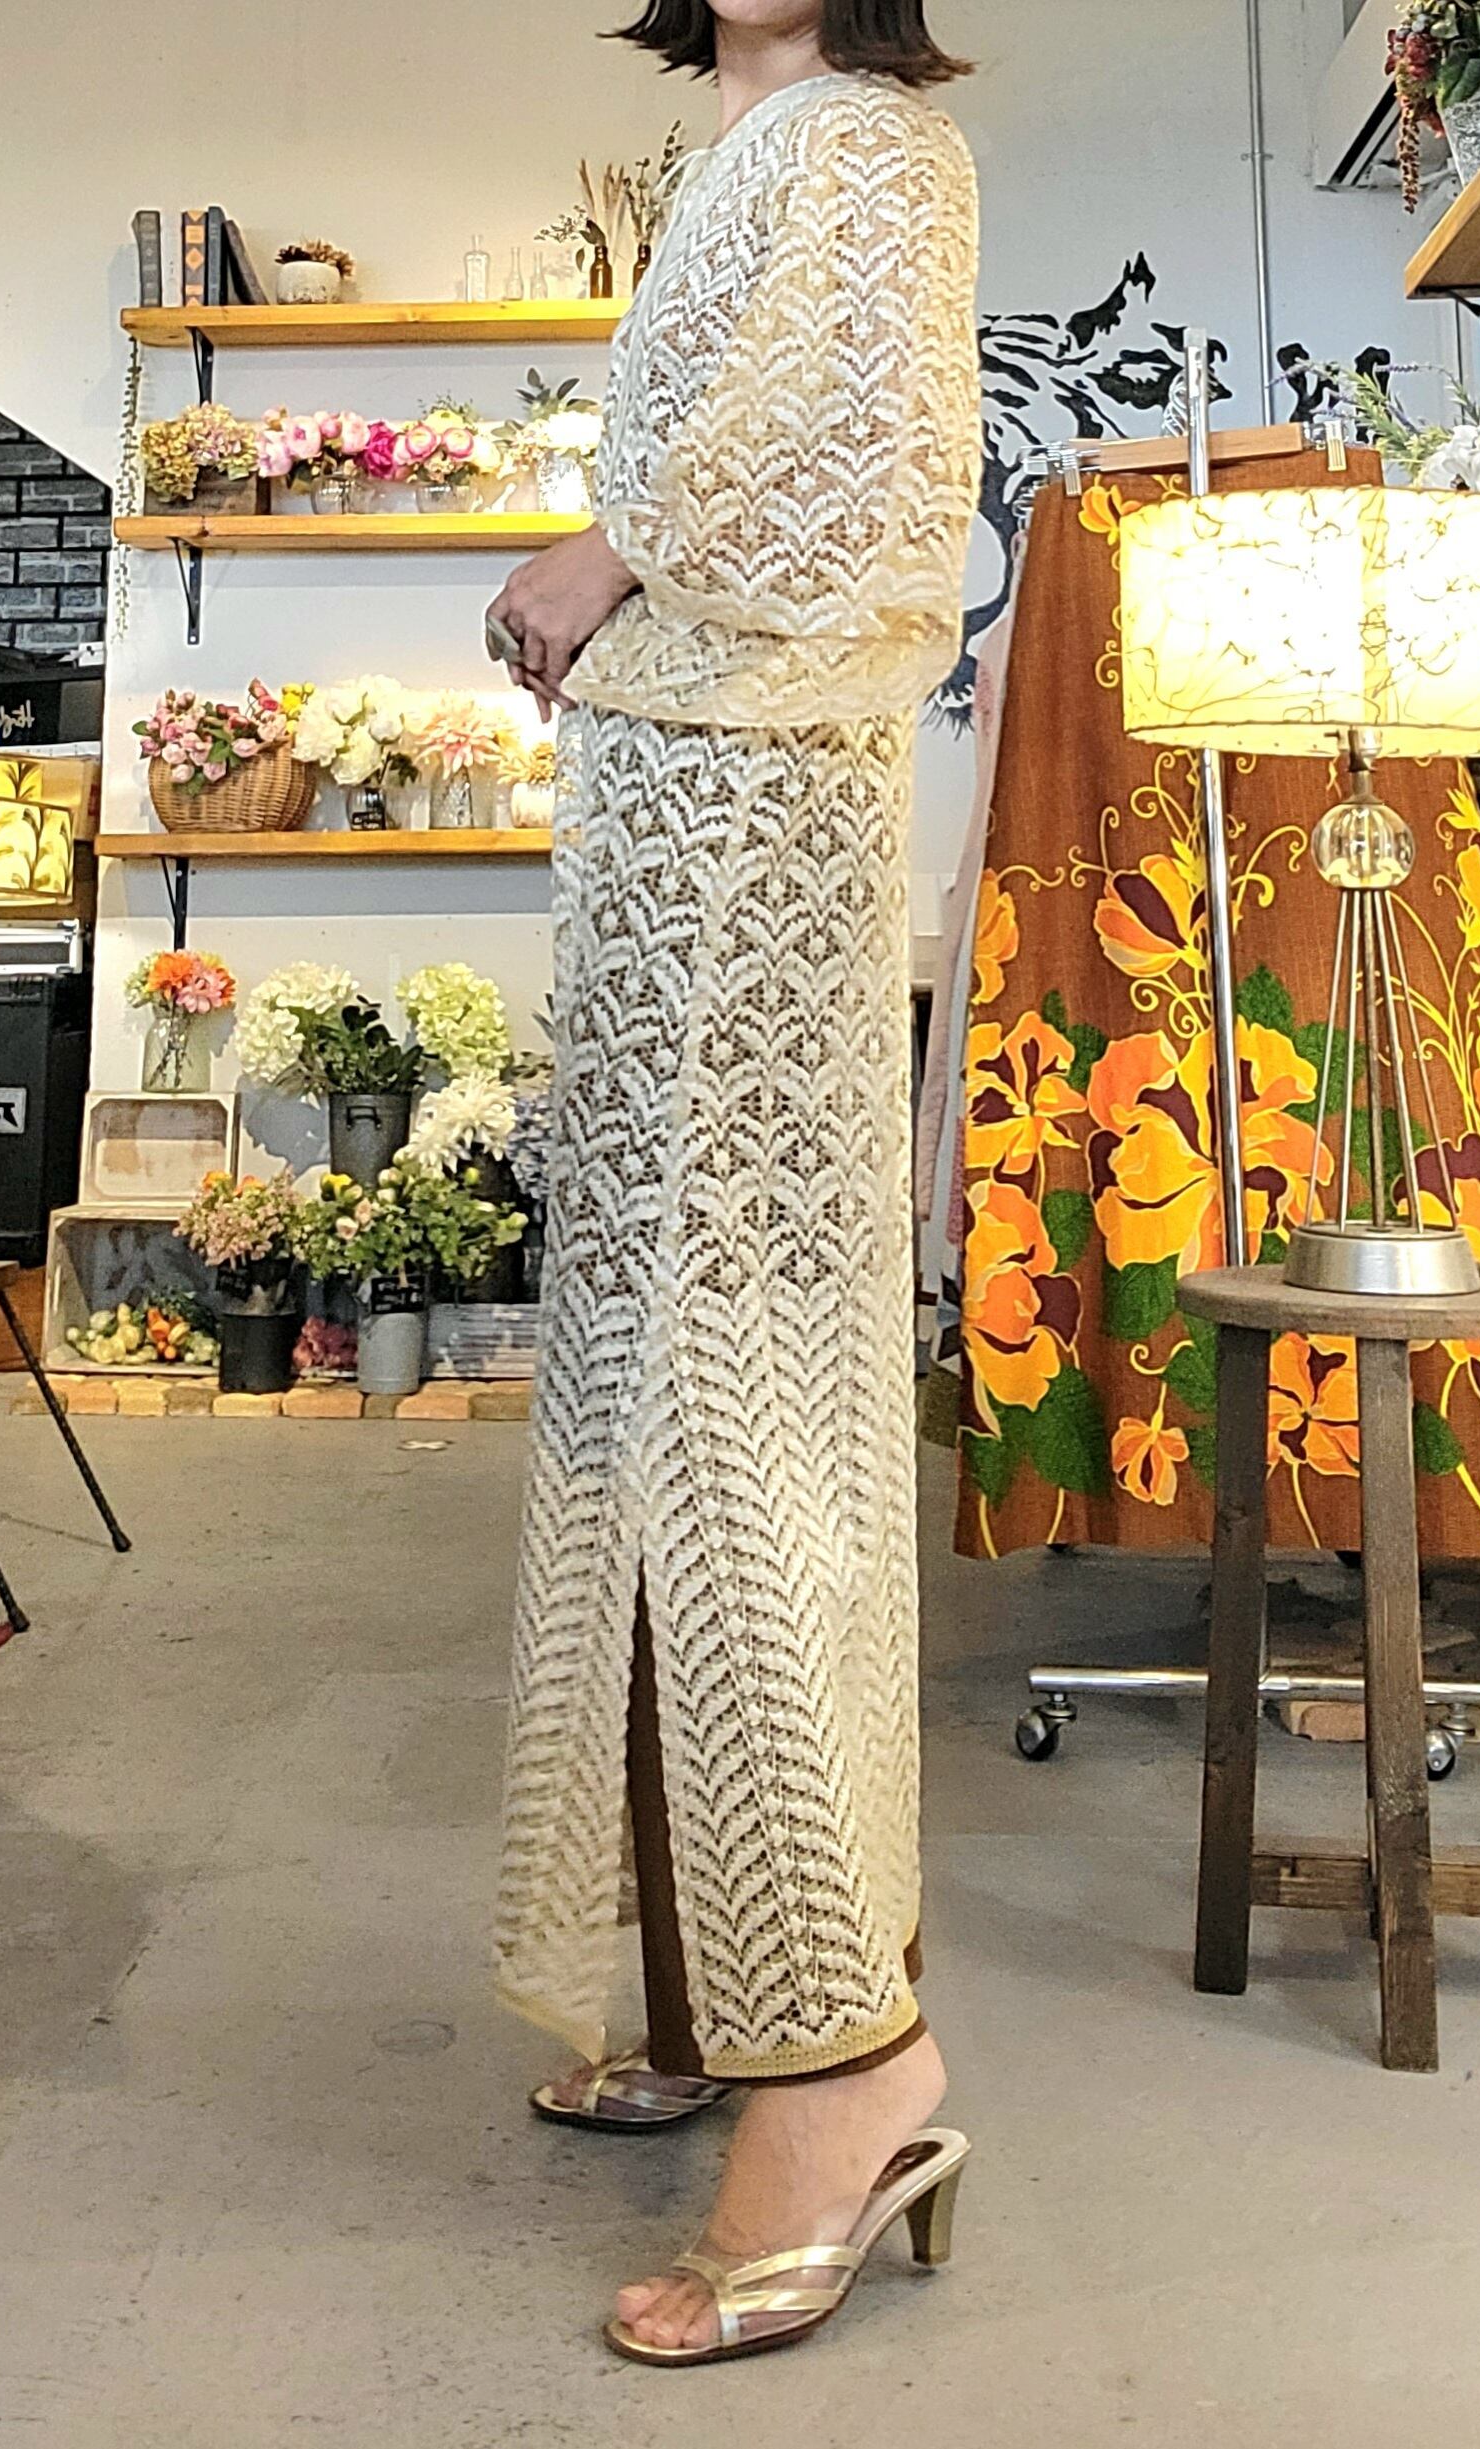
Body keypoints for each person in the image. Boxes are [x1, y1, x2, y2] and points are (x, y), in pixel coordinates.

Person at [487, 0, 982, 2369]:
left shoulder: (870, 141)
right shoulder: (742, 145)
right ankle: (712, 1981)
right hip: (673, 805)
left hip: (755, 812)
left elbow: (854, 481)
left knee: (733, 1409)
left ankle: (854, 2068)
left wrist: (603, 543)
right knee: (642, 1402)